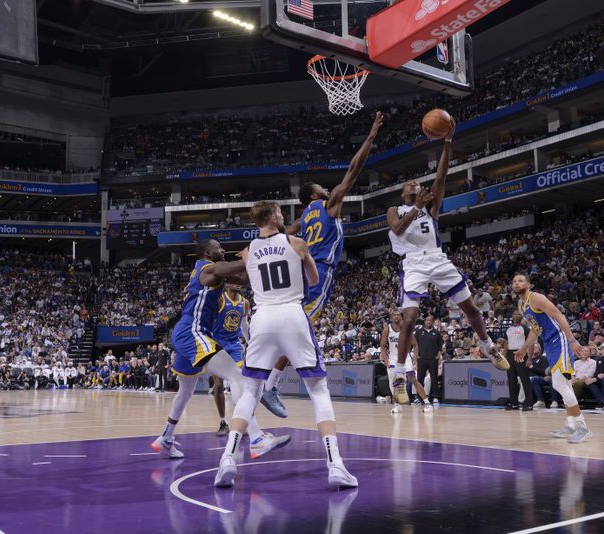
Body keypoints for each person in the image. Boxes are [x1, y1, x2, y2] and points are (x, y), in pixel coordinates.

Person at [215, 200, 357, 489]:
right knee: (318, 388)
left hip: (262, 318)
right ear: (274, 216)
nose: (283, 215)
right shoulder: (297, 242)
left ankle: (228, 459)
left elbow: (243, 277)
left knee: (250, 391)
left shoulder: (248, 250)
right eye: (280, 212)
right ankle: (335, 464)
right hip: (292, 313)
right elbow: (314, 279)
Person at [259, 112, 385, 418]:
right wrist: (370, 136)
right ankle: (271, 383)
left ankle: (267, 376)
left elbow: (281, 233)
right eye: (322, 188)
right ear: (315, 194)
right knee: (300, 327)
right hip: (319, 272)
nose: (328, 190)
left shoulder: (303, 219)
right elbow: (353, 171)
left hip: (297, 272)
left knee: (293, 324)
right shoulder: (328, 206)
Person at [386, 121, 509, 397]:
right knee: (409, 319)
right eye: (410, 183)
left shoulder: (430, 207)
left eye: (417, 183)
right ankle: (398, 374)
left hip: (438, 259)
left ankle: (488, 346)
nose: (415, 183)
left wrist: (448, 142)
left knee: (472, 310)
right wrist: (415, 208)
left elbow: (441, 177)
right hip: (414, 262)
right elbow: (396, 228)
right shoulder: (395, 208)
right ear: (405, 193)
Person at [151, 239, 288, 460]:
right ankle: (257, 439)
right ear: (207, 252)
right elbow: (234, 268)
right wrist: (253, 253)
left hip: (188, 332)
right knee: (237, 377)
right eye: (218, 248)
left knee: (185, 390)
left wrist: (268, 263)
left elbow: (243, 278)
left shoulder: (215, 274)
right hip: (193, 331)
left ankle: (165, 438)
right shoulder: (207, 267)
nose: (223, 250)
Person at [512, 273, 593, 443]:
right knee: (562, 384)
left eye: (520, 280)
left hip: (559, 338)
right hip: (548, 342)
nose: (516, 283)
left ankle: (582, 428)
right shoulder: (522, 305)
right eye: (514, 281)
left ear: (528, 284)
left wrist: (572, 340)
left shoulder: (536, 298)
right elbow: (535, 330)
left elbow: (559, 315)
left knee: (558, 383)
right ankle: (571, 424)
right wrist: (524, 348)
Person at [211, 283, 250, 436]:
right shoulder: (220, 299)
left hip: (234, 344)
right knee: (219, 384)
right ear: (226, 283)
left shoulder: (245, 303)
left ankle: (241, 421)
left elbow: (244, 325)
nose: (238, 283)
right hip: (218, 343)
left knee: (241, 382)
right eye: (234, 280)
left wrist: (250, 342)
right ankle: (223, 422)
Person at [379, 310, 433, 414]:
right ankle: (397, 404)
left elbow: (415, 345)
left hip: (405, 358)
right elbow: (382, 345)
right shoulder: (387, 329)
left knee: (413, 379)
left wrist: (414, 360)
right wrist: (385, 360)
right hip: (393, 358)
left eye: (398, 315)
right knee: (393, 382)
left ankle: (427, 403)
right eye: (394, 315)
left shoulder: (406, 329)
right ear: (391, 317)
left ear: (401, 317)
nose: (396, 316)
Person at [504, 311, 533, 411]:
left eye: (519, 314)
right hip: (510, 355)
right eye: (515, 314)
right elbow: (506, 343)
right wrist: (504, 356)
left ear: (522, 317)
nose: (516, 315)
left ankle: (529, 404)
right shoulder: (508, 329)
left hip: (521, 354)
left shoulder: (525, 328)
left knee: (525, 380)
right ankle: (514, 404)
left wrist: (529, 358)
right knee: (511, 380)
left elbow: (531, 343)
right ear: (512, 316)